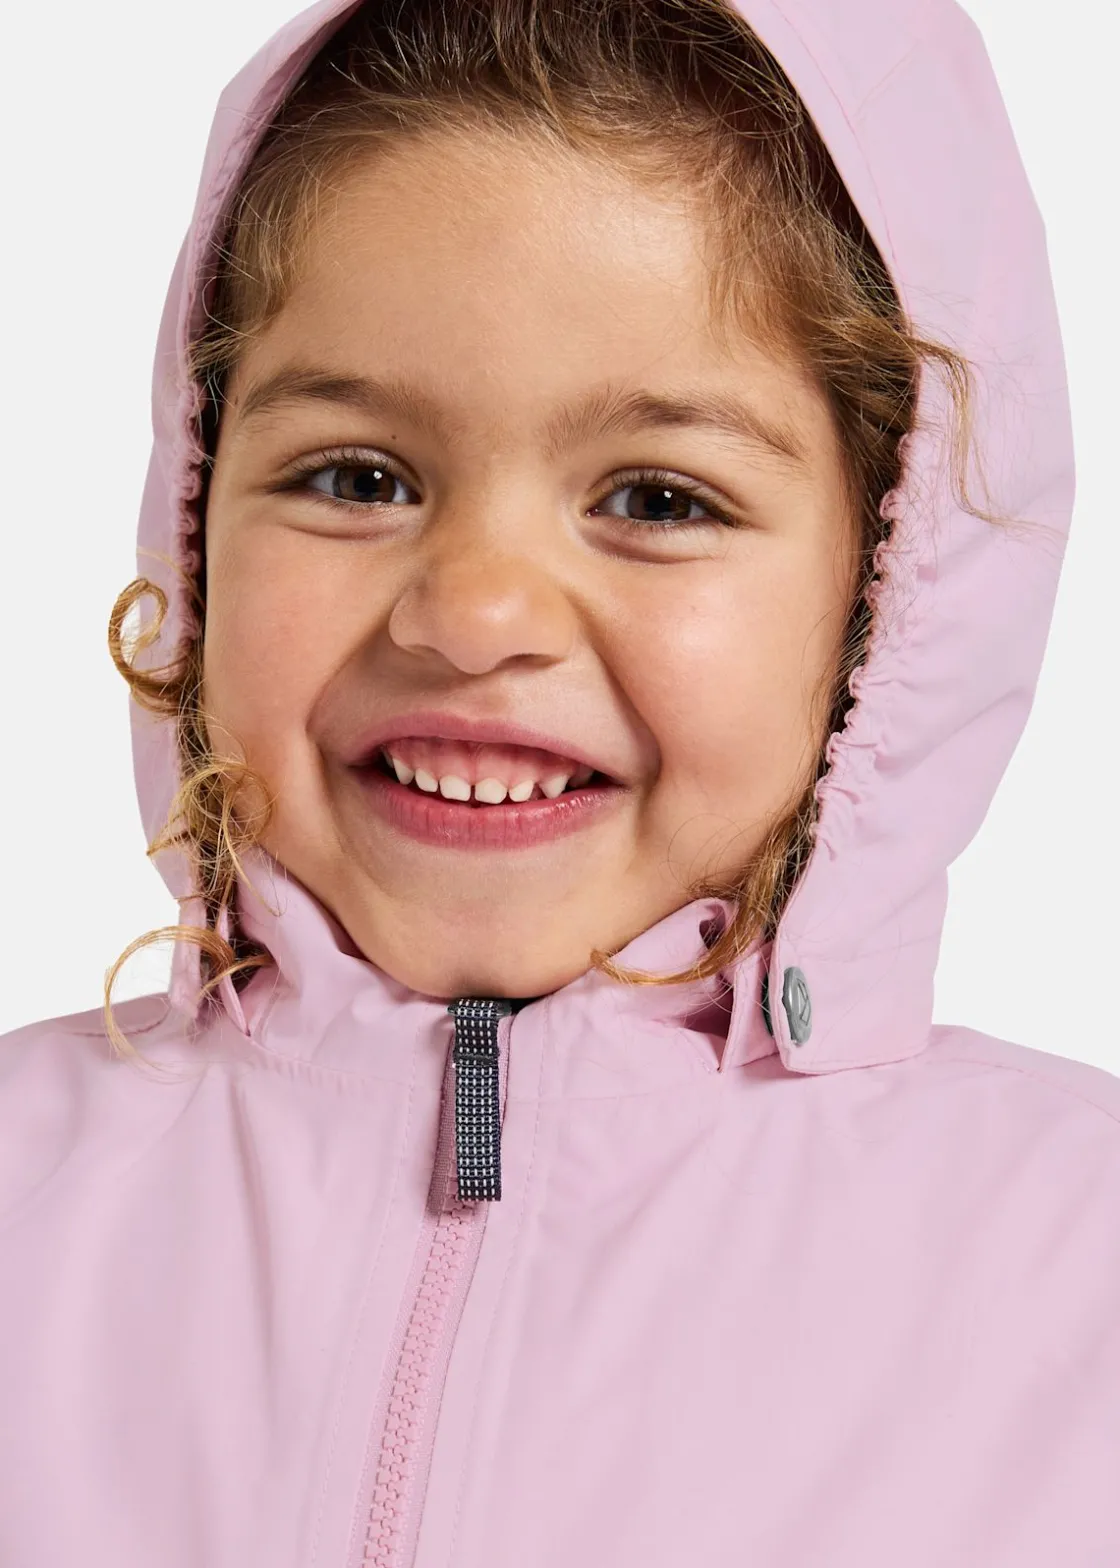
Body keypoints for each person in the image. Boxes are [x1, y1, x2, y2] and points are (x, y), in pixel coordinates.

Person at [1, 0, 1116, 1563]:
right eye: (356, 477)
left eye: (657, 499)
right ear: (194, 518)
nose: (472, 615)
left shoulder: (1078, 1270)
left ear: (892, 594)